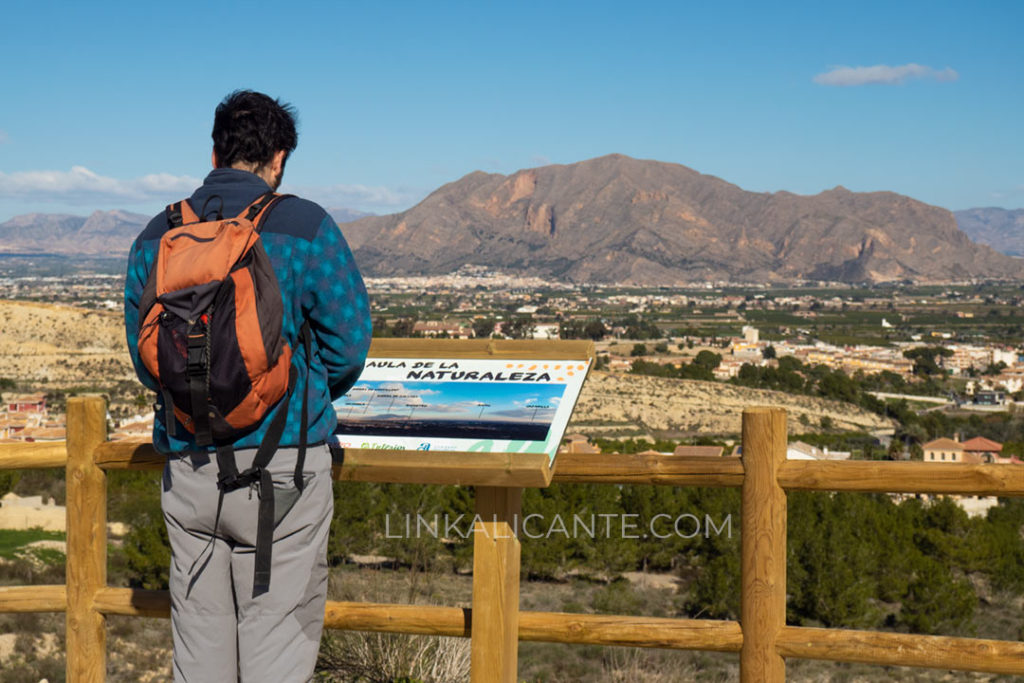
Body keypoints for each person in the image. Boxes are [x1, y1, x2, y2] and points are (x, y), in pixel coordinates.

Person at [124, 90, 371, 682]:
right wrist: (286, 398)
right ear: (280, 158)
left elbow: (146, 357)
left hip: (189, 469)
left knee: (200, 655)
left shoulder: (158, 235)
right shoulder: (305, 226)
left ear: (214, 149)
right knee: (277, 652)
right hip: (284, 472)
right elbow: (348, 344)